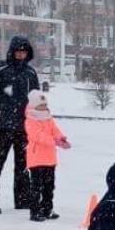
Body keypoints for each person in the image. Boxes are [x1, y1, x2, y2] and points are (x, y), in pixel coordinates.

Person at [0, 36, 40, 214]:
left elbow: (36, 101)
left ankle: (22, 199)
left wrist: (37, 125)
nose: (21, 54)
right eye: (18, 51)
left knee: (23, 166)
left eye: (24, 51)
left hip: (24, 128)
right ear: (12, 51)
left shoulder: (30, 73)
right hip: (2, 127)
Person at [23, 89, 71, 222]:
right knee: (36, 186)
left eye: (45, 105)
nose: (43, 107)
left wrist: (61, 139)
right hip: (37, 159)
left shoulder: (48, 117)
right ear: (33, 105)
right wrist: (53, 141)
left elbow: (55, 130)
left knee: (49, 186)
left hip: (50, 158)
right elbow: (37, 136)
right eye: (40, 105)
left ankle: (47, 208)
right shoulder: (30, 120)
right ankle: (35, 211)